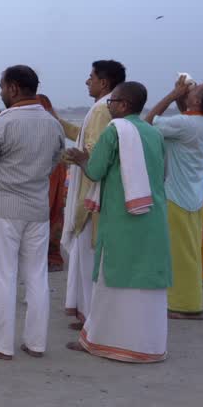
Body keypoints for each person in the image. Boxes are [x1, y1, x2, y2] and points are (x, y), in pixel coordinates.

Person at [65, 81, 171, 363]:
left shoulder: (116, 130)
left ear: (123, 105)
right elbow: (163, 173)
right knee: (145, 280)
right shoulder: (153, 132)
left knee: (111, 276)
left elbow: (96, 170)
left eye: (112, 102)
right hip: (153, 213)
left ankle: (101, 340)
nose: (109, 107)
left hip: (122, 216)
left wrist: (79, 159)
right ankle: (147, 346)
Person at [0, 67, 65, 361]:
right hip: (37, 208)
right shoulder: (53, 124)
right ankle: (35, 343)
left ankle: (2, 345)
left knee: (3, 277)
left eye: (1, 86)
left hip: (5, 209)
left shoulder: (2, 124)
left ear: (12, 88)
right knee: (36, 277)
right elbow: (53, 164)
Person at [146, 77, 203, 319]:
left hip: (176, 196)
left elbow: (147, 123)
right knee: (188, 251)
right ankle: (186, 301)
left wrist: (171, 94)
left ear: (197, 99)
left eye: (195, 90)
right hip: (193, 194)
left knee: (179, 254)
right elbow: (187, 117)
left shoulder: (186, 124)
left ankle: (184, 305)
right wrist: (182, 98)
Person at [59, 59, 126, 327]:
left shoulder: (102, 109)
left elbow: (95, 153)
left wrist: (72, 158)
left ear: (104, 82)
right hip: (96, 191)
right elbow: (83, 138)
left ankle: (92, 319)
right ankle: (89, 315)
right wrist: (58, 121)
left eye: (91, 77)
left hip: (92, 194)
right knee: (86, 257)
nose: (87, 81)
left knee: (88, 258)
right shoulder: (102, 108)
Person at [37, 96, 69, 271]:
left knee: (49, 211)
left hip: (49, 170)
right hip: (54, 168)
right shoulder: (53, 121)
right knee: (54, 211)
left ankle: (51, 256)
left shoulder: (44, 119)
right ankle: (51, 256)